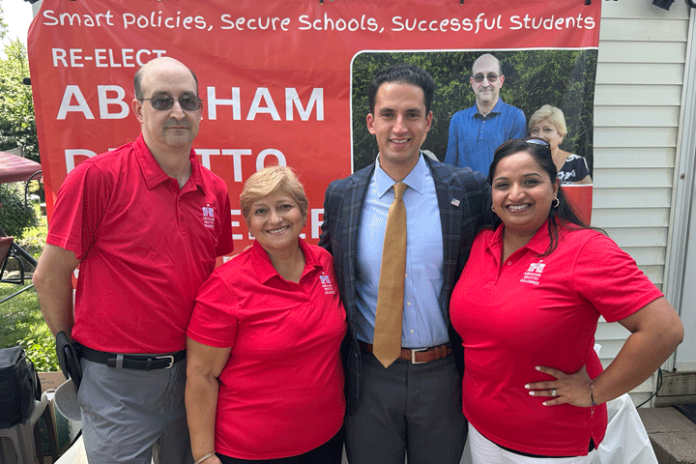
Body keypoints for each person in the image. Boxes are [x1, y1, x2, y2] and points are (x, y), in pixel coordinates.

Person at [32, 57, 233, 464]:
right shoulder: (98, 177)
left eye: (187, 101)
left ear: (200, 109)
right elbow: (50, 276)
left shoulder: (214, 190)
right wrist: (68, 345)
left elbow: (211, 274)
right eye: (162, 100)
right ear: (139, 109)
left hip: (192, 377)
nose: (177, 112)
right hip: (116, 384)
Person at [449, 138, 683, 463]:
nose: (515, 194)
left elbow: (664, 330)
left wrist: (594, 392)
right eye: (503, 185)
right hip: (482, 429)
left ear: (555, 187)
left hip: (552, 443)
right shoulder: (481, 243)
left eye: (530, 181)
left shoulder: (585, 249)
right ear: (492, 196)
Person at [319, 63, 491, 464]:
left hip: (443, 374)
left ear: (428, 122)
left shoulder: (467, 190)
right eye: (388, 114)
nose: (400, 127)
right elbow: (325, 276)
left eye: (412, 114)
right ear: (371, 122)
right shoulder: (342, 195)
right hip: (368, 376)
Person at [186, 166, 346, 464]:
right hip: (251, 452)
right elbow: (201, 376)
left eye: (285, 206)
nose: (275, 219)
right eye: (261, 211)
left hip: (327, 441)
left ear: (303, 213)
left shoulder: (325, 264)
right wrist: (204, 456)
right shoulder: (226, 286)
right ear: (249, 223)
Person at [444, 53, 526, 175]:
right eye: (479, 77)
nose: (485, 84)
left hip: (500, 187)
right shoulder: (458, 119)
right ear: (472, 82)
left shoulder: (515, 117)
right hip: (465, 188)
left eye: (492, 77)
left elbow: (517, 167)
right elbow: (449, 168)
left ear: (501, 81)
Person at [529, 104, 592, 185]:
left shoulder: (576, 163)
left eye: (547, 130)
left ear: (561, 135)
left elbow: (587, 192)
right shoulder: (524, 163)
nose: (540, 136)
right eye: (535, 130)